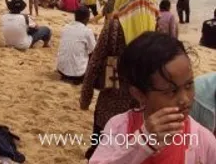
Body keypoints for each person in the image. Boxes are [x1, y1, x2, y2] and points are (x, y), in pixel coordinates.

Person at [90, 32, 216, 163]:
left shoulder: (203, 141)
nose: (185, 99)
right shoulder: (120, 127)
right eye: (172, 91)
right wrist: (142, 143)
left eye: (189, 85)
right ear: (139, 94)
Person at [80, 0, 159, 160]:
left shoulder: (114, 26)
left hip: (111, 103)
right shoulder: (156, 27)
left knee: (100, 150)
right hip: (143, 107)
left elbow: (95, 62)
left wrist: (86, 97)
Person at [57, 6, 96, 85]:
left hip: (61, 70)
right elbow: (93, 50)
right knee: (94, 53)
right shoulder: (87, 31)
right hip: (77, 74)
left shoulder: (66, 27)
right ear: (86, 19)